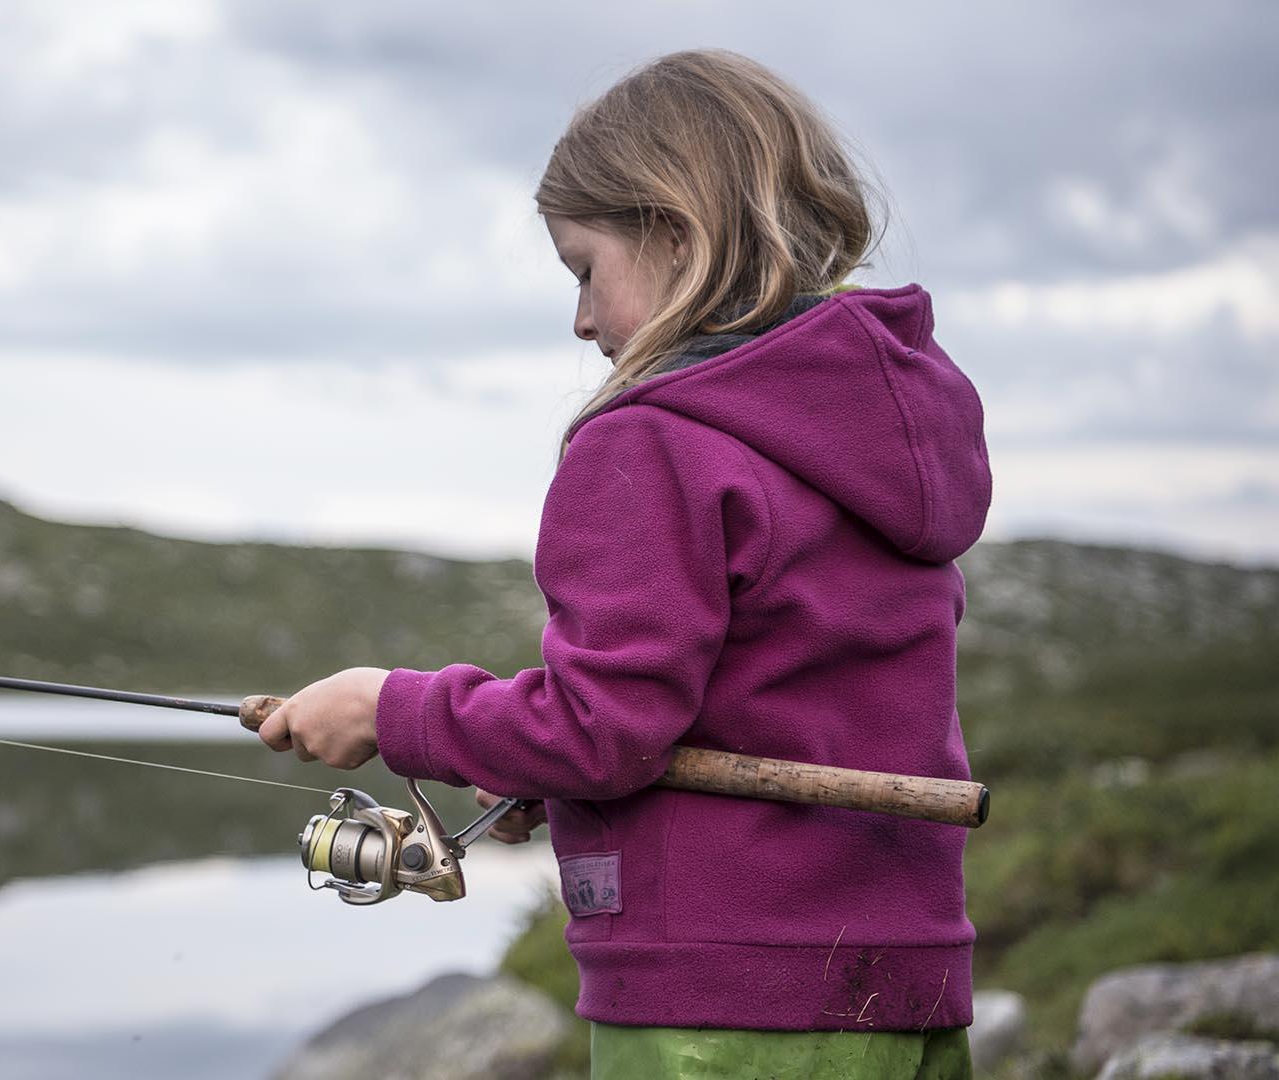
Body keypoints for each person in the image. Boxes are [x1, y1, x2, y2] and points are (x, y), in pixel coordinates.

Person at [255, 48, 989, 1080]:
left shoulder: (649, 443)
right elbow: (764, 696)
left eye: (584, 269)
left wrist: (392, 710)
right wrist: (542, 787)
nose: (582, 320)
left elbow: (604, 727)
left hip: (720, 1012)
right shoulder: (892, 434)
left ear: (678, 236)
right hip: (907, 985)